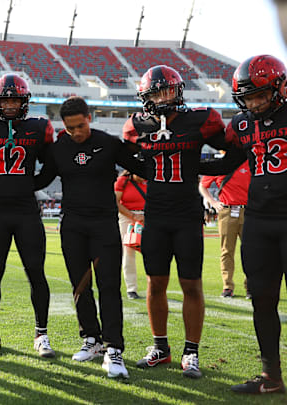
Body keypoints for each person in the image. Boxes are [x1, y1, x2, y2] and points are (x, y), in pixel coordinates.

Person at [122, 65, 232, 379]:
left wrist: (197, 162)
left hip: (186, 215)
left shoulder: (200, 119)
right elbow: (131, 161)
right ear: (145, 97)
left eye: (166, 90)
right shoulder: (136, 125)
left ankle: (191, 352)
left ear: (178, 90)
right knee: (155, 284)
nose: (161, 97)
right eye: (154, 92)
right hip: (155, 215)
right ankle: (160, 348)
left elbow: (230, 150)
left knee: (191, 285)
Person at [36, 96, 143, 378]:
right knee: (80, 287)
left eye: (80, 126)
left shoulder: (108, 143)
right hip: (72, 226)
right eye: (70, 128)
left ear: (89, 118)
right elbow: (41, 179)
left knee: (109, 286)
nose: (76, 133)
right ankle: (91, 340)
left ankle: (113, 348)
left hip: (104, 224)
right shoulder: (59, 148)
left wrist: (144, 140)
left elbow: (141, 167)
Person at [200, 55, 287, 395]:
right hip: (259, 220)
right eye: (248, 97)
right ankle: (271, 376)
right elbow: (229, 162)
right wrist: (184, 156)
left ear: (278, 87)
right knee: (262, 299)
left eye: (260, 95)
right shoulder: (243, 124)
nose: (254, 103)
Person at [0, 74, 54, 357]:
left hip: (26, 209)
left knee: (36, 273)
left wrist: (31, 184)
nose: (9, 105)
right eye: (5, 100)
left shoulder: (39, 126)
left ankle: (41, 335)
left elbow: (51, 166)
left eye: (15, 99)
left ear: (24, 101)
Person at [198, 161, 251, 298]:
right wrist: (213, 202)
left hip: (248, 211)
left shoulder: (249, 163)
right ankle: (227, 286)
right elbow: (203, 186)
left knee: (251, 251)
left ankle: (250, 285)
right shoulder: (219, 165)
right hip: (227, 211)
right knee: (227, 250)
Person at [114, 170, 147, 299]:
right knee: (128, 251)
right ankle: (131, 288)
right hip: (127, 217)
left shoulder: (150, 180)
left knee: (152, 251)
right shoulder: (123, 181)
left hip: (147, 217)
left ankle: (154, 284)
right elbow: (116, 202)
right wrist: (133, 216)